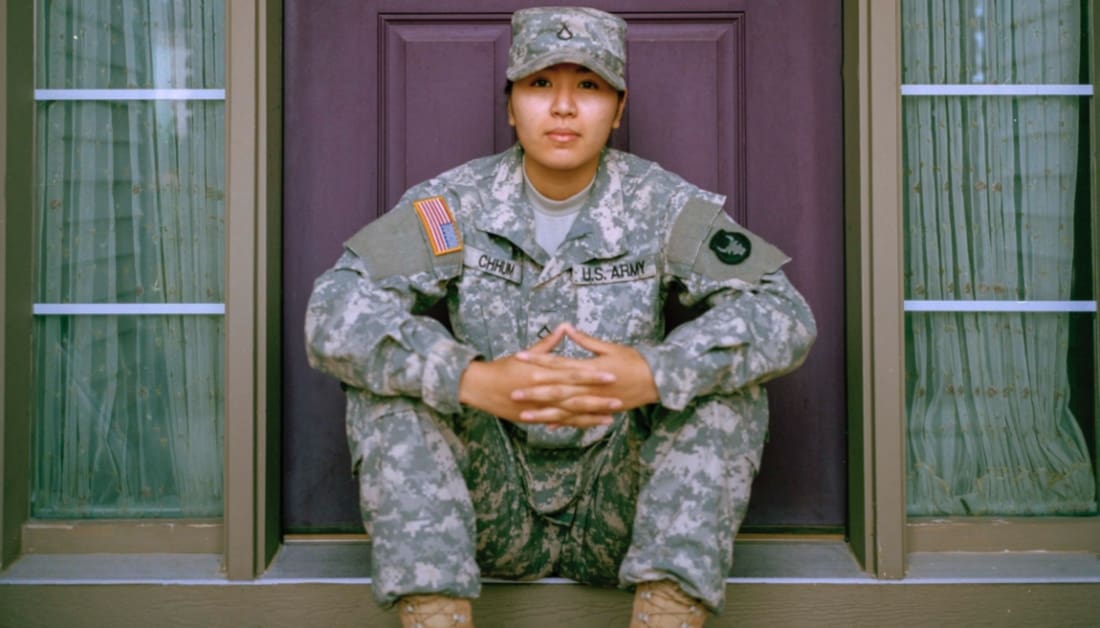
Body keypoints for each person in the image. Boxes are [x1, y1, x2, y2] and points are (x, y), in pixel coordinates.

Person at [305, 6, 816, 627]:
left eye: (590, 86)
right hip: (486, 508)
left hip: (625, 512)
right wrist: (472, 380)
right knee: (387, 391)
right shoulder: (456, 204)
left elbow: (782, 311)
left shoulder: (662, 206)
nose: (565, 107)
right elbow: (334, 309)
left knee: (725, 394)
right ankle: (436, 616)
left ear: (618, 108)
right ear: (511, 103)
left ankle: (667, 615)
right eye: (541, 84)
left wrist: (655, 372)